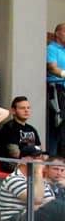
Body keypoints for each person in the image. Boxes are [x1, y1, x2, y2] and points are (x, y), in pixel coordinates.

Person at [0, 96, 42, 160]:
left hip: (31, 161)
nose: (26, 110)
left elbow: (39, 152)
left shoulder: (31, 129)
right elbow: (15, 153)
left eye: (28, 108)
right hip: (12, 163)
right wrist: (33, 153)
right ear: (13, 111)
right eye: (22, 108)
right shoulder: (8, 128)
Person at [46, 23, 65, 156]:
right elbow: (52, 67)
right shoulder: (51, 48)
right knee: (58, 124)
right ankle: (52, 159)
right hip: (57, 89)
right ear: (58, 33)